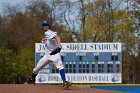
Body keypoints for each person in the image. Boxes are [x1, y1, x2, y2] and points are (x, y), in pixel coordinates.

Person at [29, 20, 72, 88]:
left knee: (60, 66)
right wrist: (45, 40)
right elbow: (51, 38)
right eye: (44, 25)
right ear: (42, 27)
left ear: (49, 26)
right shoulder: (47, 34)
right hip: (47, 55)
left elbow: (57, 37)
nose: (45, 26)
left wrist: (58, 46)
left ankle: (65, 82)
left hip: (54, 53)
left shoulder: (48, 33)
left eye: (46, 25)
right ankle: (33, 79)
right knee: (36, 69)